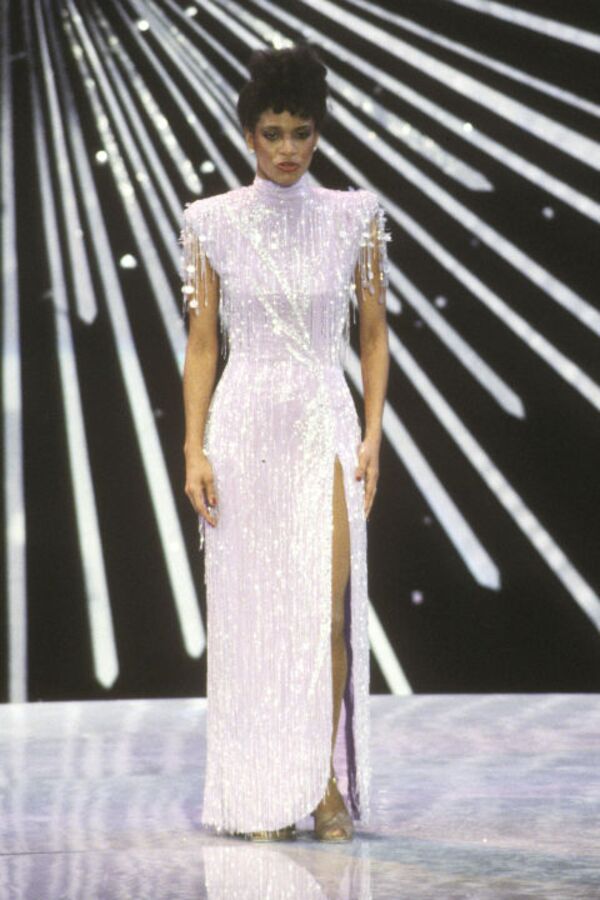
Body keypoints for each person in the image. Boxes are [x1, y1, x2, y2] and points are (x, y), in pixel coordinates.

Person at [179, 42, 390, 842]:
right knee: (253, 616)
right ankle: (262, 787)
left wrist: (373, 435)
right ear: (248, 136)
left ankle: (321, 782)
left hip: (324, 421)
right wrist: (193, 449)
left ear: (318, 132)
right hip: (243, 429)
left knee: (324, 613)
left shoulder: (355, 217)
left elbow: (374, 336)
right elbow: (203, 344)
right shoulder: (210, 222)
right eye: (273, 133)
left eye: (302, 132)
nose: (288, 148)